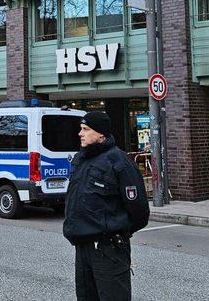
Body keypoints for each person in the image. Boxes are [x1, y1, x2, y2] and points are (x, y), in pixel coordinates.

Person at [63, 111, 150, 301]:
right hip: (83, 247)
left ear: (101, 134)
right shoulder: (80, 159)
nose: (80, 133)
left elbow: (140, 212)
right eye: (81, 129)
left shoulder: (119, 162)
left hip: (108, 249)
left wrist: (114, 230)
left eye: (86, 129)